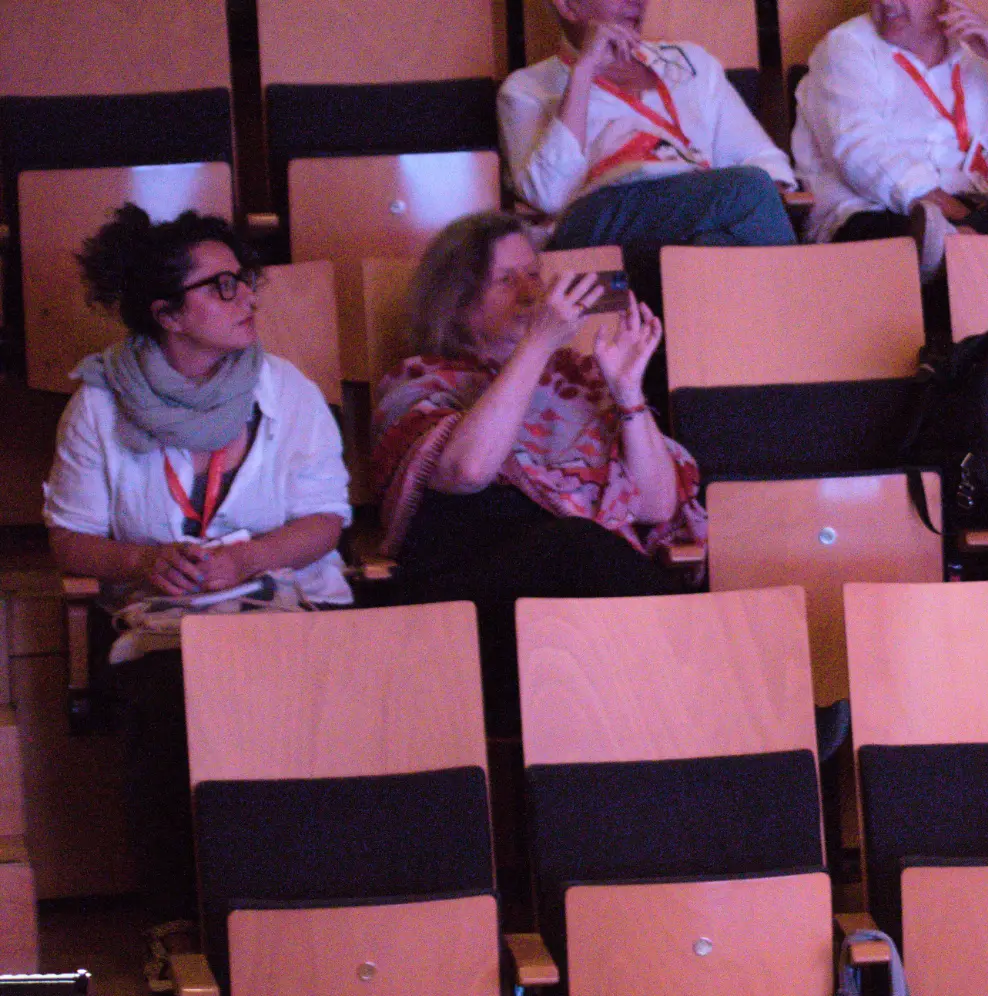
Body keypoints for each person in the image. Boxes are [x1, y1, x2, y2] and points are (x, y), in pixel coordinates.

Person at [44, 205, 353, 923]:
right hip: (166, 624)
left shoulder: (288, 389)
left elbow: (326, 520)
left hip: (288, 606)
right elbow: (70, 540)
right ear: (168, 315)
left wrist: (248, 557)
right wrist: (145, 559)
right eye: (221, 286)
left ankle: (303, 913)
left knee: (324, 698)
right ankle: (180, 923)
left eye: (244, 279)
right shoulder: (97, 406)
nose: (247, 297)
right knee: (168, 706)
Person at [373, 212, 705, 729]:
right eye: (506, 280)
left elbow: (657, 504)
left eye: (533, 274)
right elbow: (467, 469)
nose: (531, 292)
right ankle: (716, 684)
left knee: (585, 553)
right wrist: (539, 343)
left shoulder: (581, 377)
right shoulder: (419, 382)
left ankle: (715, 696)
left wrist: (627, 394)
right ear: (457, 307)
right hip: (471, 610)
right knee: (577, 546)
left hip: (582, 605)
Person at [500, 0, 797, 312]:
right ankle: (796, 319)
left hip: (692, 211)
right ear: (568, 6)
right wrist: (583, 71)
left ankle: (720, 337)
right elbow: (549, 195)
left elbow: (762, 159)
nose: (638, 1)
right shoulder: (527, 89)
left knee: (714, 247)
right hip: (595, 220)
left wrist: (738, 210)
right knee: (748, 190)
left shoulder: (691, 63)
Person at [793, 0, 988, 279]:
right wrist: (956, 214)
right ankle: (972, 255)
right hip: (879, 215)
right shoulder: (846, 47)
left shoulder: (980, 55)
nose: (886, 1)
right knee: (907, 237)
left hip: (979, 214)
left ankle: (963, 254)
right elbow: (860, 153)